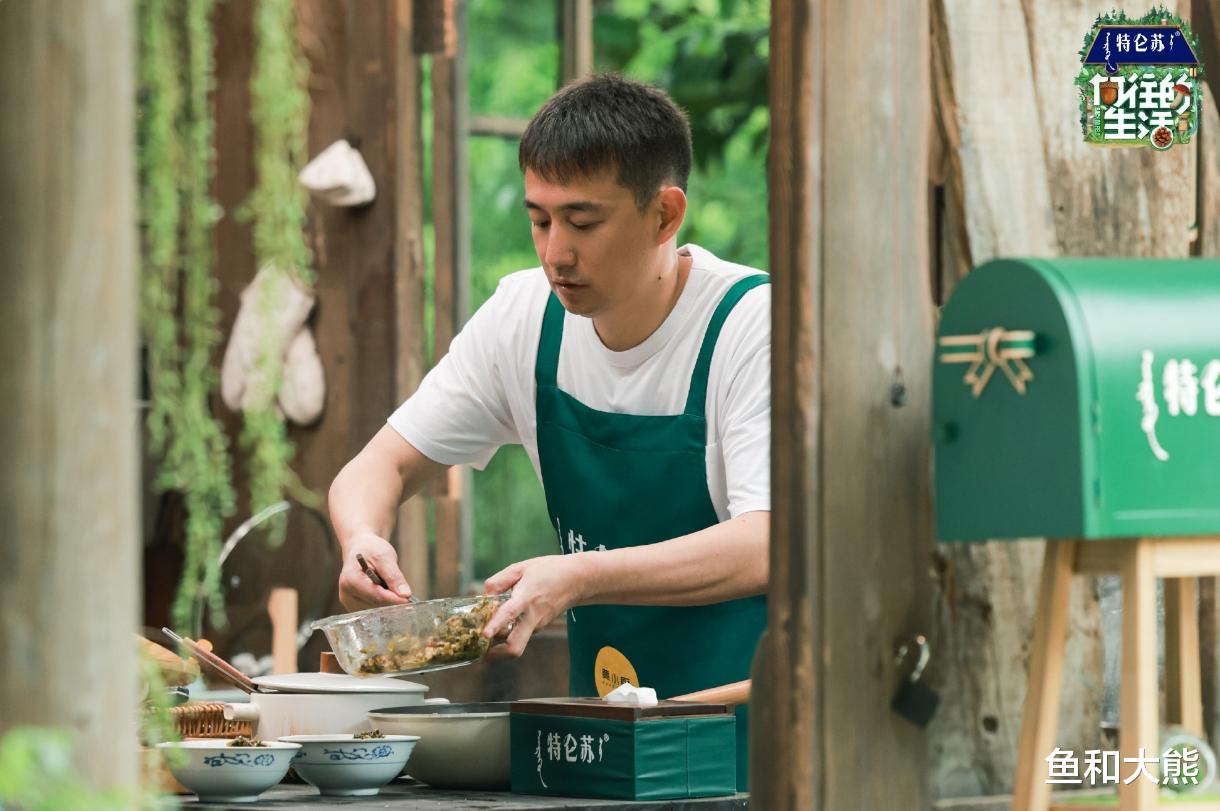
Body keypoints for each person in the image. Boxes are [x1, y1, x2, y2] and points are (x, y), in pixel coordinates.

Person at [328, 73, 768, 789]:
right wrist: (360, 539)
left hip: (747, 742)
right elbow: (379, 466)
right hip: (600, 743)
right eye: (540, 220)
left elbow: (767, 541)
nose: (556, 252)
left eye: (583, 223)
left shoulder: (750, 327)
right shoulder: (525, 317)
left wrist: (580, 575)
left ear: (664, 214)